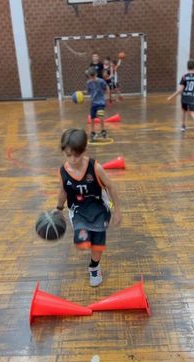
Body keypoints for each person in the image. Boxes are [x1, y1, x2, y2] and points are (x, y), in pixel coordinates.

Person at [55, 128, 122, 287]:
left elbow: (111, 187)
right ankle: (87, 241)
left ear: (84, 150)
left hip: (99, 208)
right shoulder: (63, 171)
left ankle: (94, 267)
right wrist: (58, 209)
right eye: (68, 155)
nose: (72, 159)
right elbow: (63, 190)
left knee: (97, 242)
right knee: (82, 242)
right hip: (78, 210)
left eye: (76, 155)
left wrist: (118, 210)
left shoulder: (95, 167)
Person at [167, 59, 194, 138]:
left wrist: (171, 96)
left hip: (185, 97)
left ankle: (183, 126)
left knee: (184, 111)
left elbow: (180, 90)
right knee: (193, 113)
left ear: (187, 67)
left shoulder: (184, 77)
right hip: (192, 97)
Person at [86, 66, 109, 141]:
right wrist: (80, 94)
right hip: (93, 103)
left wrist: (108, 97)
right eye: (91, 77)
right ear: (89, 76)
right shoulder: (88, 83)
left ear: (96, 74)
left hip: (100, 103)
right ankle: (93, 132)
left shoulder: (101, 81)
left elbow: (107, 87)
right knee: (92, 118)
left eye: (94, 76)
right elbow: (88, 92)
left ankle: (103, 131)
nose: (93, 78)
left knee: (101, 116)